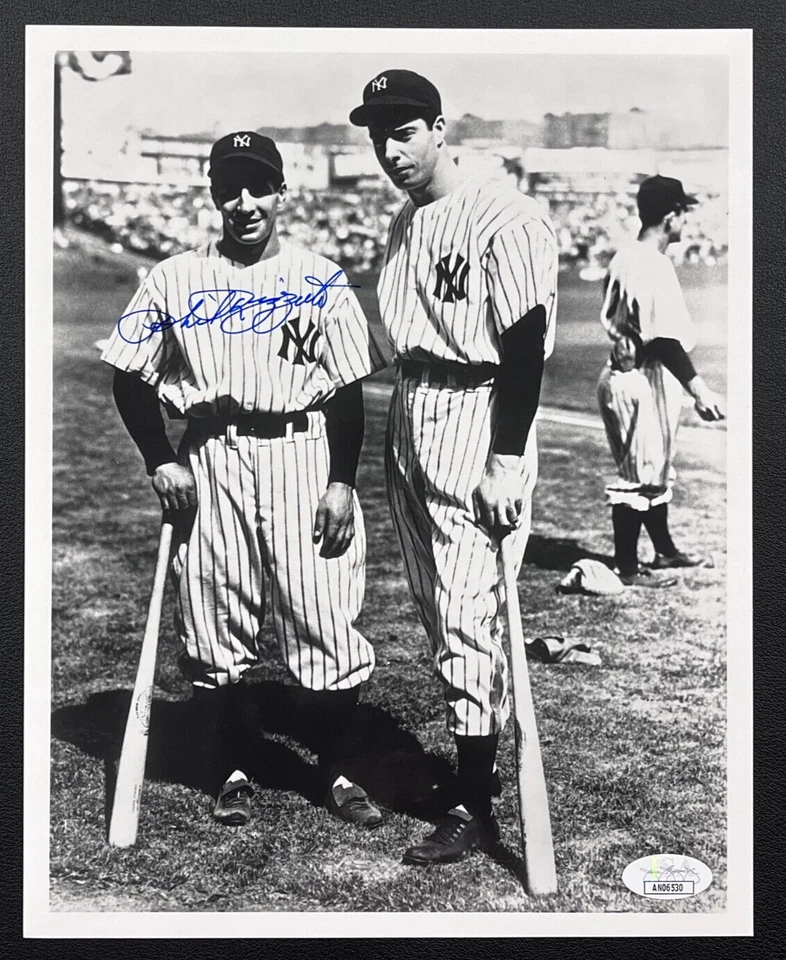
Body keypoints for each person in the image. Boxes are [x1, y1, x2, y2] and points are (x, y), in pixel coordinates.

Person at [101, 131, 387, 829]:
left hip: (301, 451)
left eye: (259, 186)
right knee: (215, 614)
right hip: (213, 457)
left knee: (323, 610)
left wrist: (342, 482)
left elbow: (347, 389)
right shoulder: (172, 276)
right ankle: (230, 761)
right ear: (213, 194)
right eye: (231, 187)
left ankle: (340, 767)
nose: (245, 202)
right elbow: (128, 376)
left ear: (281, 192)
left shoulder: (321, 274)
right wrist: (159, 458)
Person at [349, 70, 558, 864]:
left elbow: (526, 346)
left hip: (479, 413)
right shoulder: (407, 223)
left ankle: (475, 806)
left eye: (403, 130)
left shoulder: (505, 215)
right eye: (377, 134)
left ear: (441, 128)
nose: (389, 148)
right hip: (415, 410)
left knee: (473, 616)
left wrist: (506, 458)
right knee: (440, 613)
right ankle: (475, 775)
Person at [597, 175, 725, 587]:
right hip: (639, 375)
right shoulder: (649, 262)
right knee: (641, 471)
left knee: (654, 466)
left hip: (637, 371)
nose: (685, 221)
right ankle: (628, 568)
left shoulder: (627, 256)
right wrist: (698, 388)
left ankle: (665, 551)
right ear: (671, 216)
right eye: (683, 213)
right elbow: (664, 338)